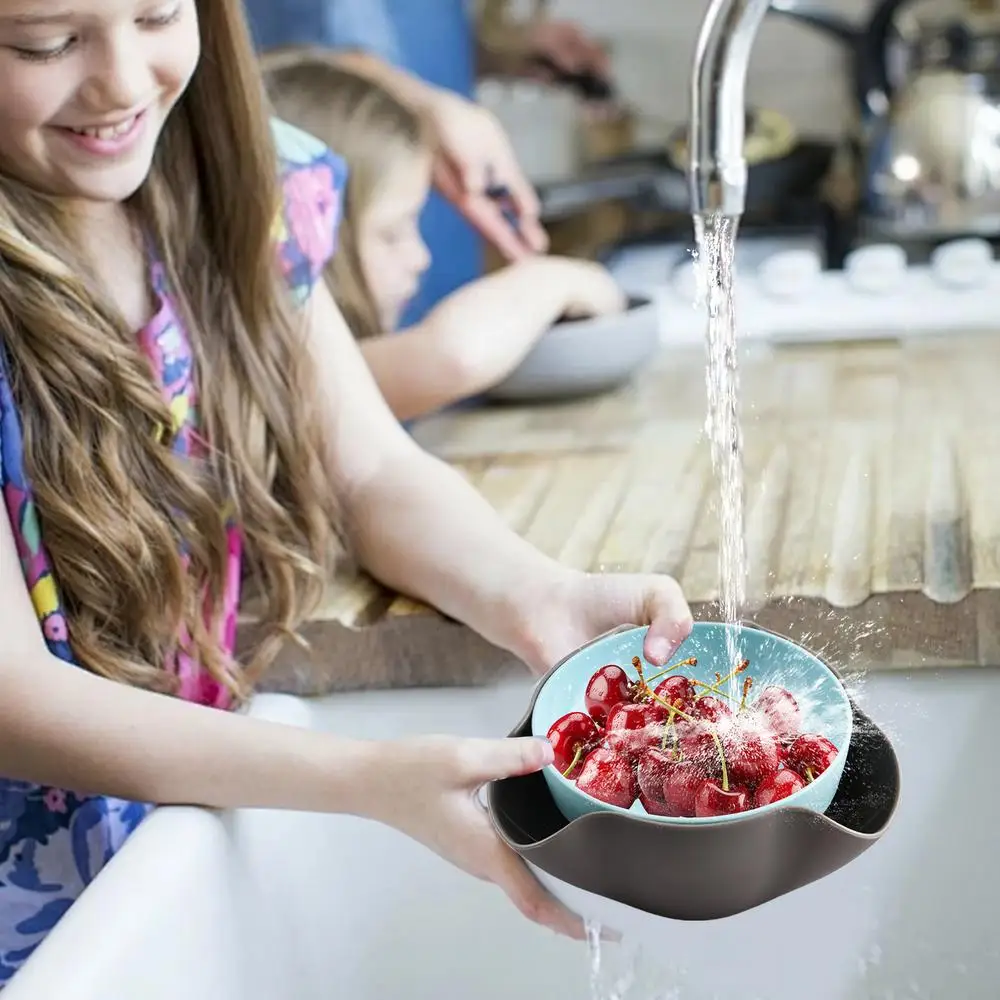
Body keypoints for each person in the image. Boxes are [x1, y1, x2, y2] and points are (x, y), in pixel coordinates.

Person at [0, 0, 691, 985]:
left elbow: (367, 469)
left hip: (179, 815)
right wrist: (366, 779)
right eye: (45, 42)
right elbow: (13, 695)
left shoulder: (245, 183)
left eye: (157, 14)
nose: (120, 79)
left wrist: (535, 593)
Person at [261, 53, 627, 421]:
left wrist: (429, 106)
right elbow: (451, 356)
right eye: (392, 234)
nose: (420, 257)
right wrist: (557, 278)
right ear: (305, 237)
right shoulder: (284, 379)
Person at [242, 0, 611, 323]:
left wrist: (500, 52)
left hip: (434, 249)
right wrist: (424, 103)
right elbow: (297, 67)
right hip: (368, 255)